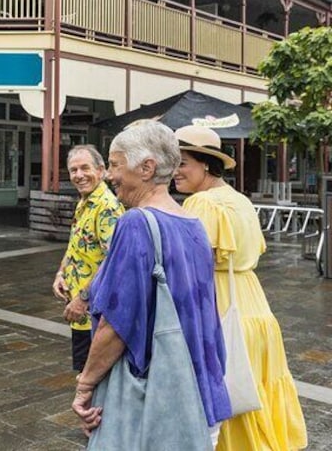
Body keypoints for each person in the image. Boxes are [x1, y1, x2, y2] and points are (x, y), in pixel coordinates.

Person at [71, 120, 232, 445]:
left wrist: (85, 383)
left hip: (154, 400)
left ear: (146, 168)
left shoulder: (135, 224)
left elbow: (117, 324)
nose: (110, 175)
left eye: (115, 165)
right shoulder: (194, 224)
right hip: (198, 392)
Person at [173, 125, 307, 451]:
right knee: (255, 386)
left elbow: (190, 264)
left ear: (206, 163)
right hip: (254, 305)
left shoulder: (201, 203)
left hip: (220, 304)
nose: (174, 172)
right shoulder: (240, 200)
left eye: (182, 163)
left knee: (227, 391)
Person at [52, 145, 124, 371]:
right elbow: (76, 245)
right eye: (73, 170)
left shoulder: (106, 207)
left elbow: (114, 261)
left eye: (85, 168)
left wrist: (83, 299)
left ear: (101, 170)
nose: (79, 175)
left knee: (92, 381)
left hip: (95, 312)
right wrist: (61, 273)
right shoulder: (85, 201)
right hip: (81, 313)